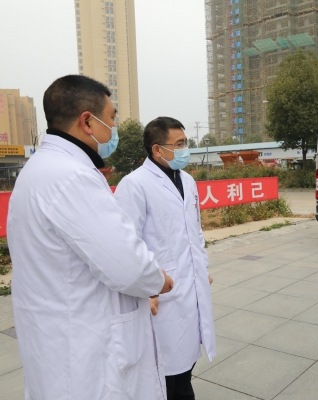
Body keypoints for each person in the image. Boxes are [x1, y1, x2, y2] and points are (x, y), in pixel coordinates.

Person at [7, 75, 174, 400]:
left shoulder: (38, 170)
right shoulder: (72, 176)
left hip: (57, 340)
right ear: (87, 122)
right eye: (111, 119)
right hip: (88, 355)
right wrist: (159, 280)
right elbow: (127, 266)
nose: (113, 130)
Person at [115, 117, 216, 400]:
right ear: (157, 149)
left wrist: (201, 267)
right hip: (160, 294)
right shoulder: (134, 185)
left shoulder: (188, 181)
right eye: (179, 144)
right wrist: (145, 289)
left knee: (186, 365)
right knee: (165, 374)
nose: (185, 149)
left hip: (189, 287)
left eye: (185, 142)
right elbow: (127, 245)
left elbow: (194, 232)